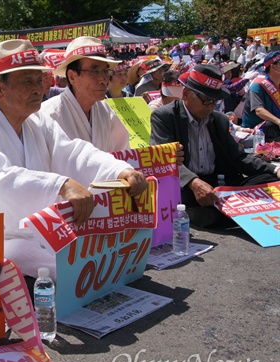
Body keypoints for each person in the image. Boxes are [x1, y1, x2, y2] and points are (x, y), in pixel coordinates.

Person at [0, 39, 146, 280]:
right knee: (75, 267)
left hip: (33, 233)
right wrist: (61, 185)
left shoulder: (38, 122)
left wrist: (118, 169)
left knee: (102, 255)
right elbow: (0, 183)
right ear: (0, 89)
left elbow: (73, 152)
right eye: (27, 82)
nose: (38, 89)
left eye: (38, 80)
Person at [150, 64, 279, 226]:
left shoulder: (219, 120)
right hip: (187, 185)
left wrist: (276, 169)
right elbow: (164, 159)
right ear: (187, 94)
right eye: (206, 100)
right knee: (198, 206)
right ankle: (208, 213)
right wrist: (194, 182)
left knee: (270, 181)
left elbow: (238, 157)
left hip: (219, 184)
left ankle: (221, 212)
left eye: (214, 101)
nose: (211, 106)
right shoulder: (164, 117)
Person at [41, 36, 130, 152]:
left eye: (105, 71)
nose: (104, 79)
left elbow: (123, 152)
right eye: (95, 71)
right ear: (72, 77)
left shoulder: (105, 111)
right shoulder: (47, 115)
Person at [241, 52, 280, 141]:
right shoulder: (258, 85)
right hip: (256, 131)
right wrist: (278, 122)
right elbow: (259, 111)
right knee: (270, 125)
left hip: (274, 129)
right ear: (273, 67)